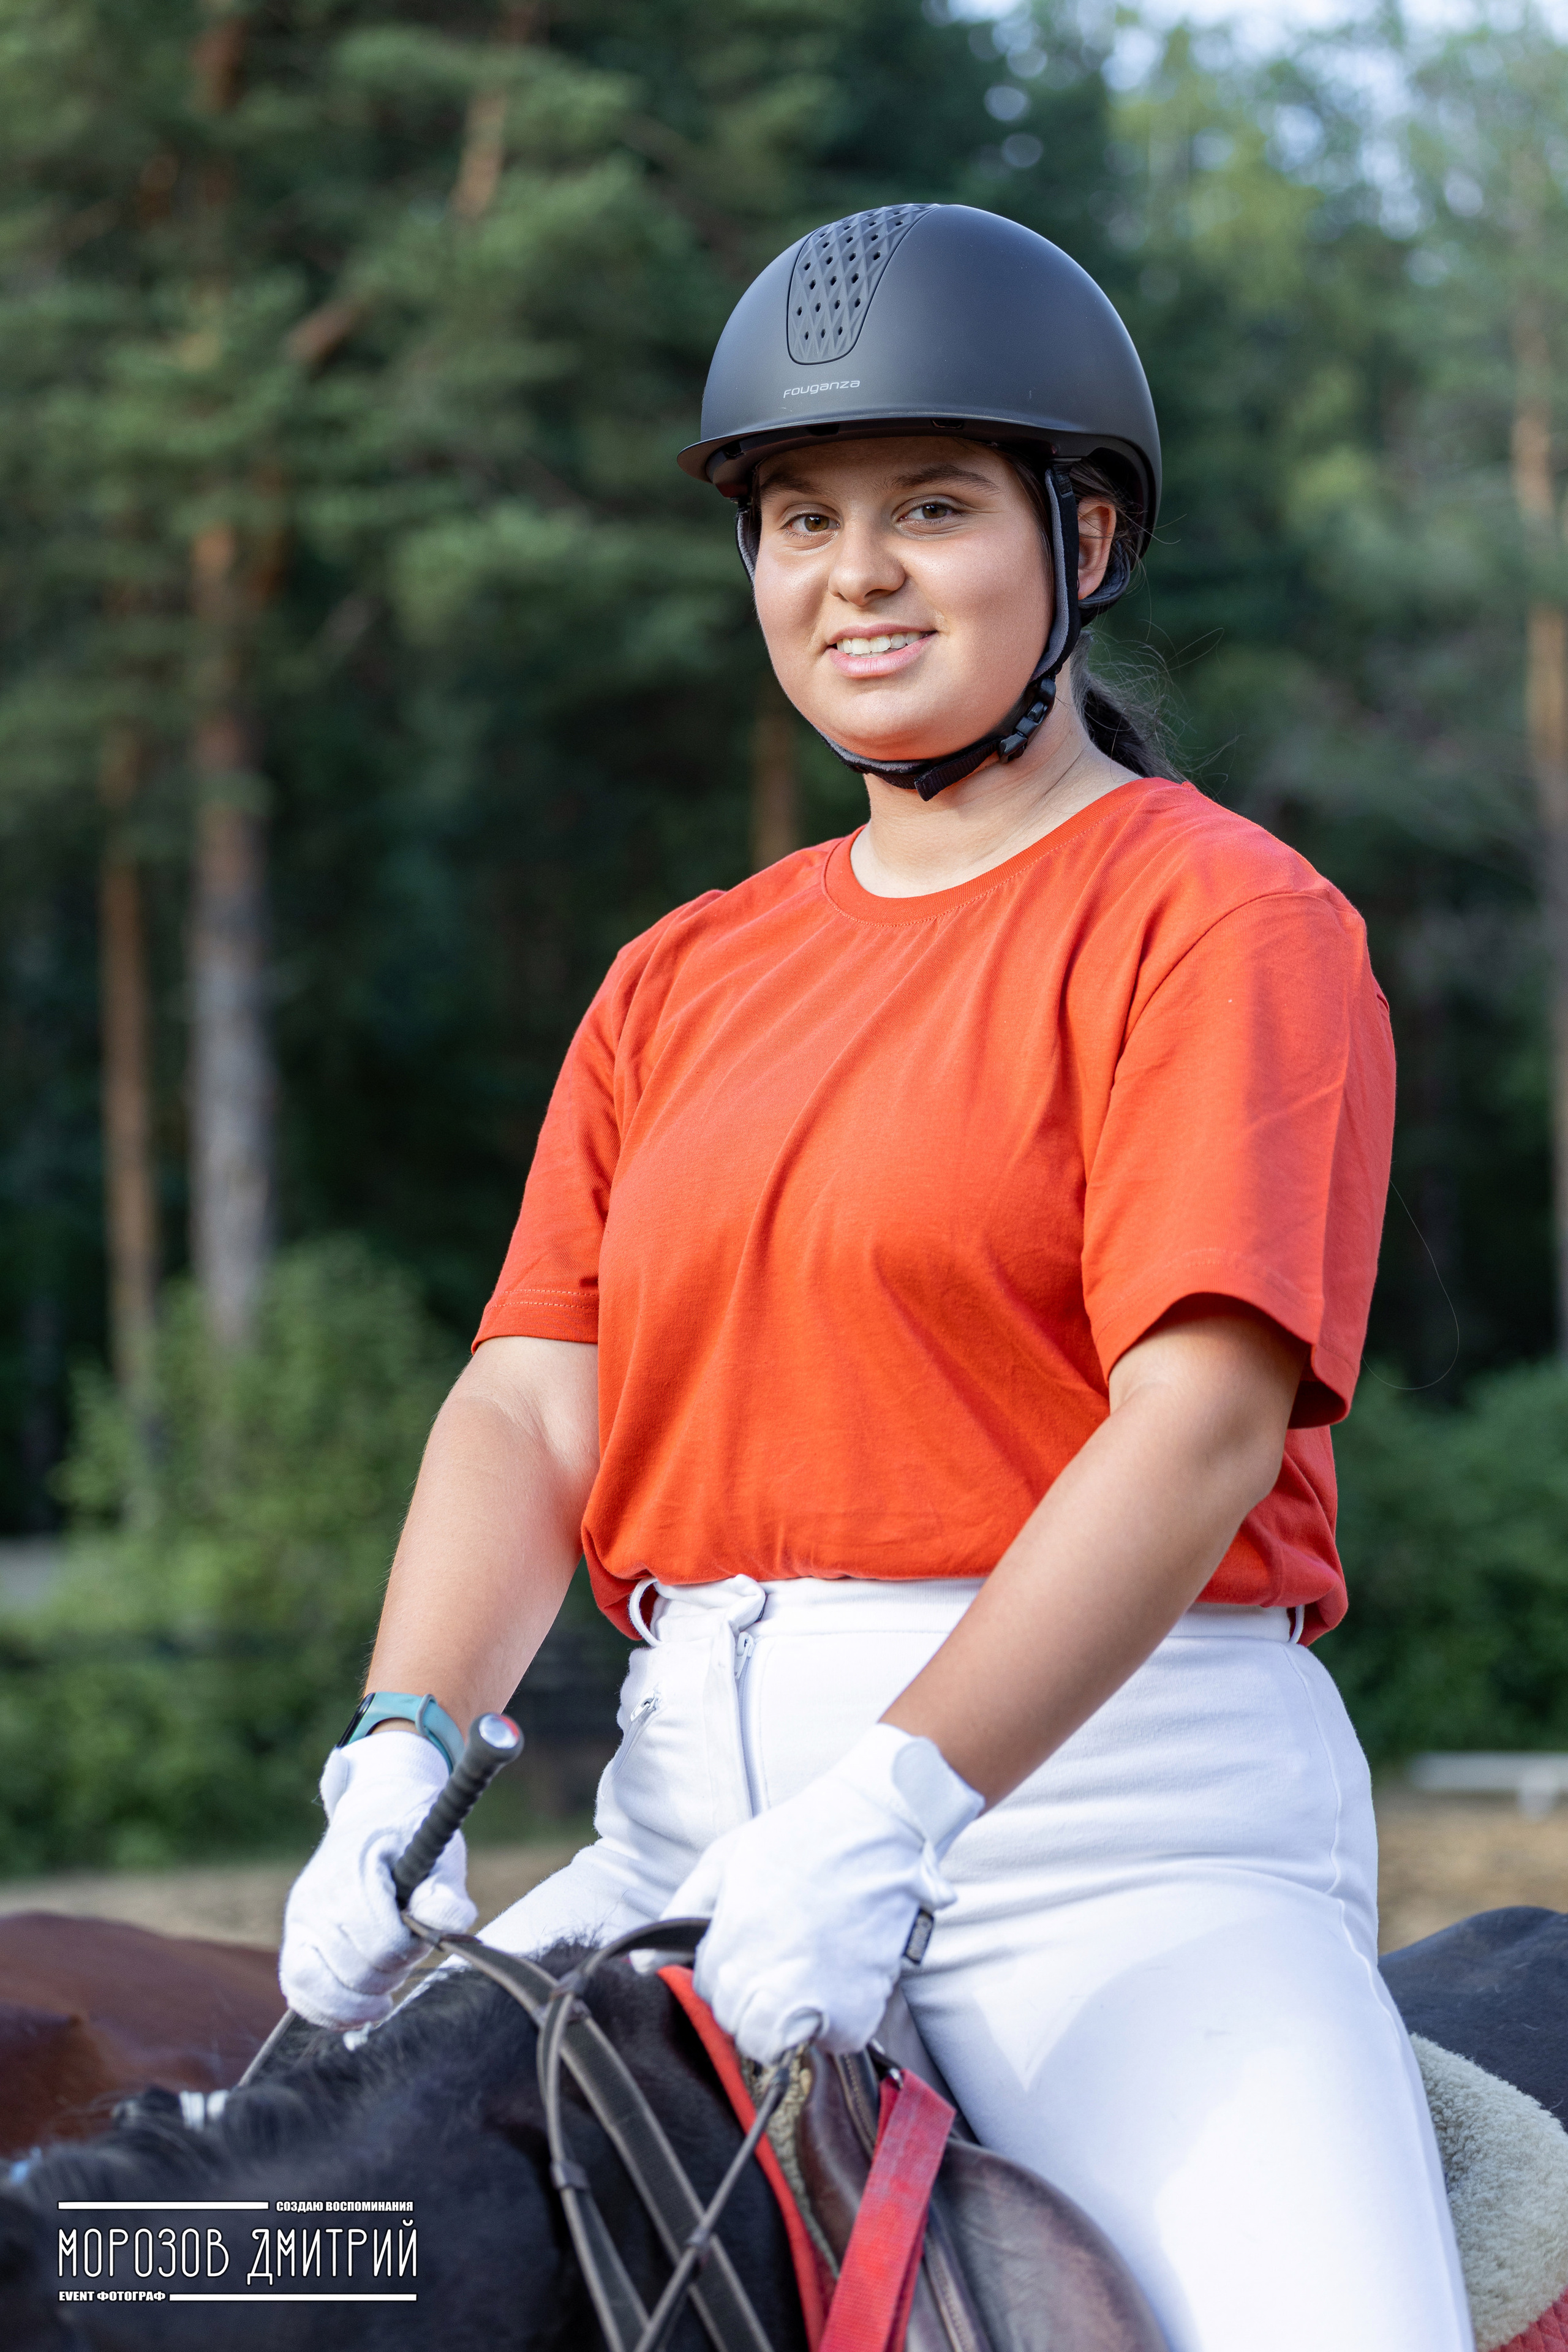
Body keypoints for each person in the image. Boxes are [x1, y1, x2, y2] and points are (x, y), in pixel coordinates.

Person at [280, 205, 1471, 2351]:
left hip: (1108, 1856)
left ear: (1082, 541)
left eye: (931, 508)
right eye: (801, 521)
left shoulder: (1221, 924)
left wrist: (900, 1801)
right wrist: (399, 1746)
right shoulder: (680, 977)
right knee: (247, 2253)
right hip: (685, 1841)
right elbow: (532, 1398)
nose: (856, 576)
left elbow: (1198, 1423)